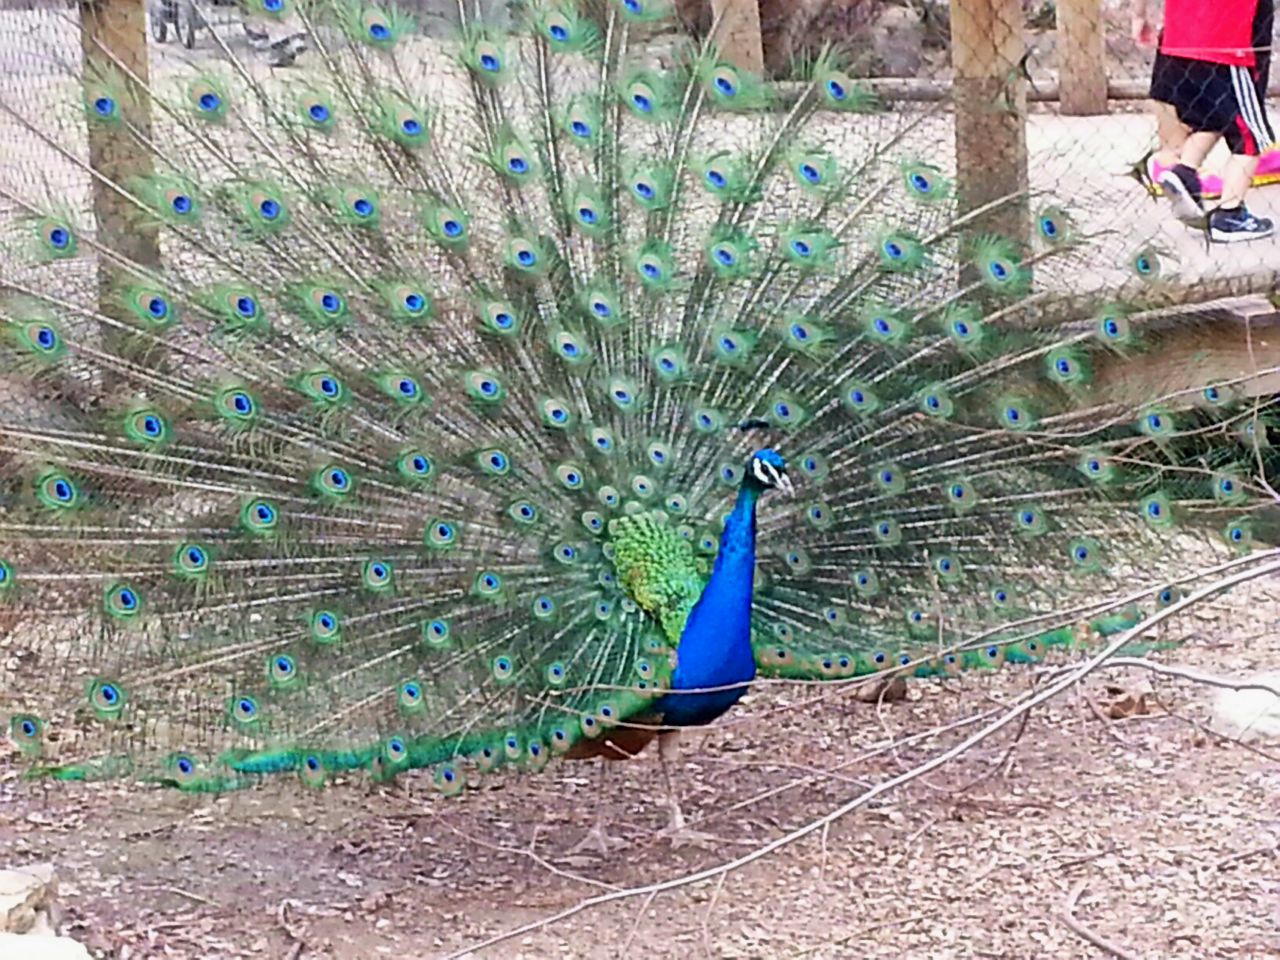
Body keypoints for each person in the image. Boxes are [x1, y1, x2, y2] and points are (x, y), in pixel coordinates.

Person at [1133, 0, 1276, 241]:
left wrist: (1139, 14)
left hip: (1180, 37)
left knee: (1214, 115)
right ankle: (1230, 214)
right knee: (1251, 133)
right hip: (1229, 40)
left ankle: (1185, 172)